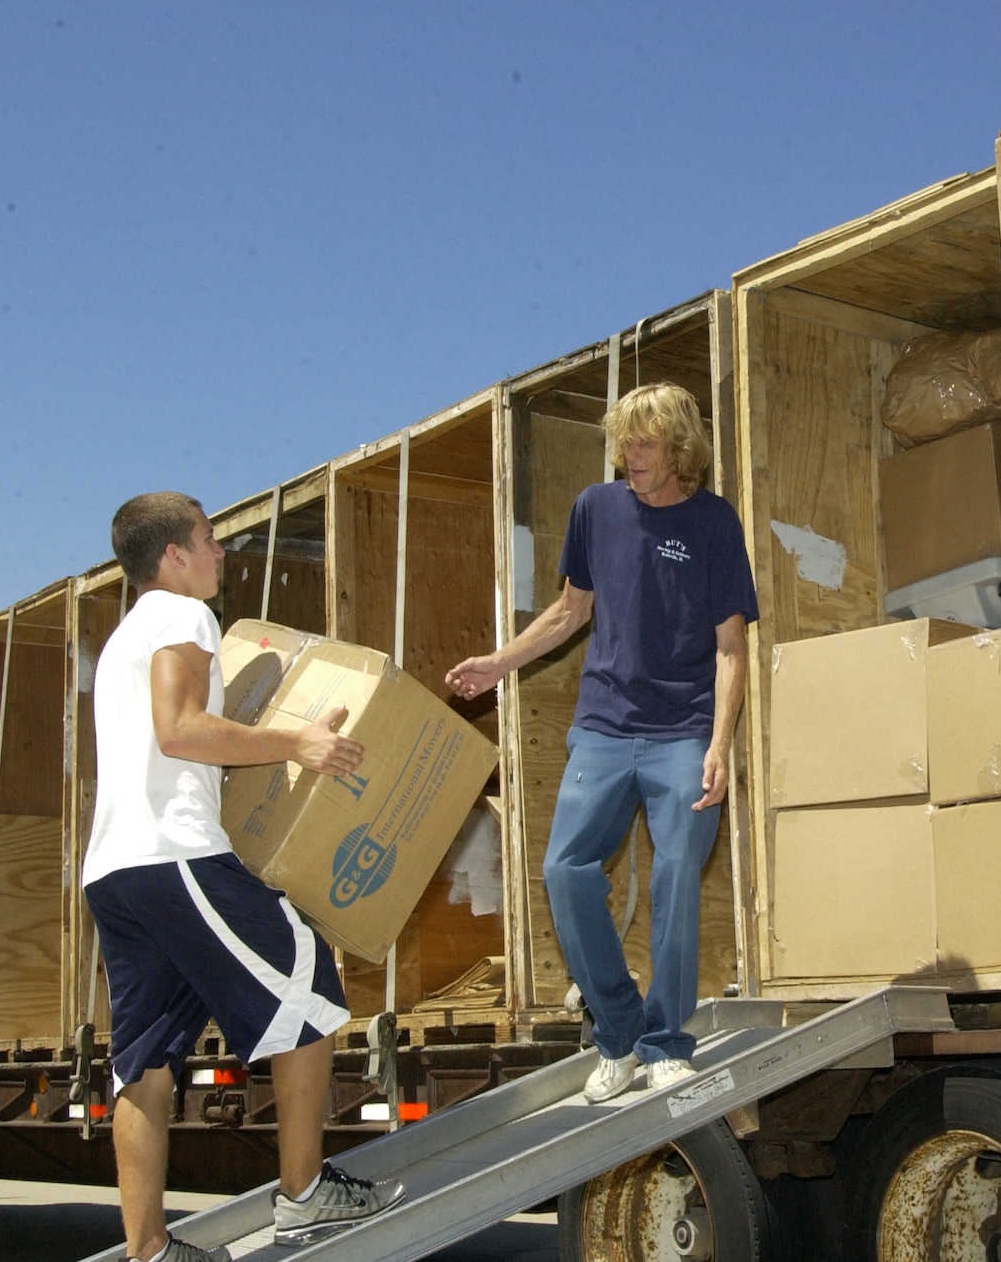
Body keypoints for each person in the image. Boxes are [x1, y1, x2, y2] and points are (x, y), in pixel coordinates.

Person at [82, 492, 403, 1261]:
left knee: (147, 1058)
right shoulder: (181, 616)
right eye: (208, 539)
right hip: (173, 855)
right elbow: (181, 729)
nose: (220, 553)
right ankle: (301, 1195)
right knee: (312, 975)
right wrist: (298, 743)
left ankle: (150, 1250)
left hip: (115, 871)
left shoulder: (124, 637)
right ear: (172, 556)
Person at [445, 384, 757, 1103]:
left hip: (684, 730)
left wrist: (720, 744)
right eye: (623, 442)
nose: (629, 456)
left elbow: (731, 648)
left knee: (677, 871)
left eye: (644, 444)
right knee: (565, 870)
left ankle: (666, 1040)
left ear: (679, 448)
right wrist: (499, 662)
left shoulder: (713, 523)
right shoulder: (596, 508)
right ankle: (619, 1031)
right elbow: (568, 611)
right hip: (605, 726)